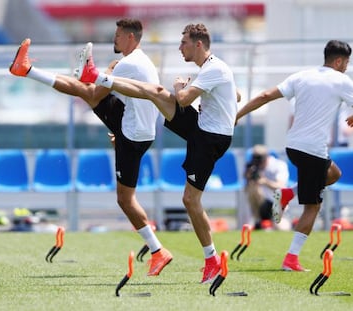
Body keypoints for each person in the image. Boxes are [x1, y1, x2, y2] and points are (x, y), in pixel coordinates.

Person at [75, 23, 239, 283]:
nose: (179, 47)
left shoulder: (215, 68)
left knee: (190, 201)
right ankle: (96, 76)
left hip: (209, 139)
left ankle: (212, 261)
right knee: (155, 92)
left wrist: (179, 87)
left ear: (198, 44)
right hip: (201, 127)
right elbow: (236, 94)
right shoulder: (210, 68)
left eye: (183, 42)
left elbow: (183, 99)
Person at [9, 18, 173, 276]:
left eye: (118, 35)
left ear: (130, 37)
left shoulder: (128, 64)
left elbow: (95, 95)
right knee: (86, 88)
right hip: (136, 129)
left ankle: (158, 251)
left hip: (133, 133)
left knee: (125, 200)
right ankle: (26, 69)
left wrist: (102, 75)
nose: (114, 38)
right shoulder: (138, 61)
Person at [236, 40, 353, 271]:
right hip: (313, 151)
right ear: (338, 61)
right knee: (313, 207)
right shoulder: (342, 81)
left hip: (293, 147)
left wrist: (238, 114)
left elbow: (265, 95)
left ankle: (288, 193)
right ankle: (291, 259)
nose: (346, 68)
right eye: (346, 63)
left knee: (334, 174)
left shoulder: (302, 75)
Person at [243, 145, 289, 230]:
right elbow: (246, 190)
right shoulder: (253, 167)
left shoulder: (279, 165)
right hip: (260, 204)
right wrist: (249, 177)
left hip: (277, 202)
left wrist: (265, 182)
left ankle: (272, 223)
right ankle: (257, 221)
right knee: (252, 188)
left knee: (282, 228)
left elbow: (281, 187)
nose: (259, 165)